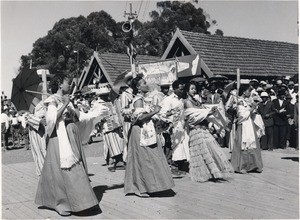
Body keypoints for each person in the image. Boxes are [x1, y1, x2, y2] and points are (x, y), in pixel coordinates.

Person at [35, 74, 98, 216]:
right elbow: (51, 120)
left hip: (71, 136)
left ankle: (83, 202)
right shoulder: (52, 100)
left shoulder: (66, 99)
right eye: (67, 83)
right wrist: (64, 104)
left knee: (77, 167)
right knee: (62, 172)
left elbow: (76, 118)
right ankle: (62, 203)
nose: (70, 86)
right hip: (59, 138)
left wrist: (71, 108)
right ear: (59, 85)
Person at [124, 76, 174, 198]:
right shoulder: (138, 100)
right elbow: (140, 118)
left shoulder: (144, 99)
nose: (146, 85)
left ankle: (147, 186)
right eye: (144, 83)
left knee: (147, 158)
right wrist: (155, 112)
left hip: (146, 130)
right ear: (138, 87)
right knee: (143, 159)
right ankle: (141, 188)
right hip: (140, 131)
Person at [184, 82, 233, 182]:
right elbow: (194, 115)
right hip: (196, 129)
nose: (194, 90)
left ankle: (212, 172)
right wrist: (207, 111)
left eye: (194, 88)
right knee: (201, 152)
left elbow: (203, 111)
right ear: (187, 91)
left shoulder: (197, 101)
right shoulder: (187, 102)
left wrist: (210, 110)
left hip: (203, 128)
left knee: (208, 149)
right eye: (191, 89)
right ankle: (205, 173)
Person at [231, 84, 264, 174]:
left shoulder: (246, 101)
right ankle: (242, 166)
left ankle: (254, 165)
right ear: (244, 91)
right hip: (244, 125)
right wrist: (251, 109)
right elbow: (241, 115)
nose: (249, 93)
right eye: (248, 91)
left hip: (249, 124)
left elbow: (250, 112)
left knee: (252, 143)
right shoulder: (240, 102)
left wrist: (253, 108)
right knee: (244, 144)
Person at [159, 79, 190, 174]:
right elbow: (163, 114)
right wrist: (172, 114)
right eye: (180, 89)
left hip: (182, 125)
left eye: (183, 89)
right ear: (175, 89)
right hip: (173, 126)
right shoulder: (168, 100)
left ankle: (180, 166)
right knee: (175, 146)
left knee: (183, 145)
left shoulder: (182, 99)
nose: (182, 91)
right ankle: (174, 166)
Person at [27, 100, 47, 176]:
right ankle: (42, 169)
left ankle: (47, 167)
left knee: (44, 148)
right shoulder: (27, 107)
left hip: (44, 129)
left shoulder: (41, 101)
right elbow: (27, 118)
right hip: (35, 130)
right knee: (38, 149)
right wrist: (39, 120)